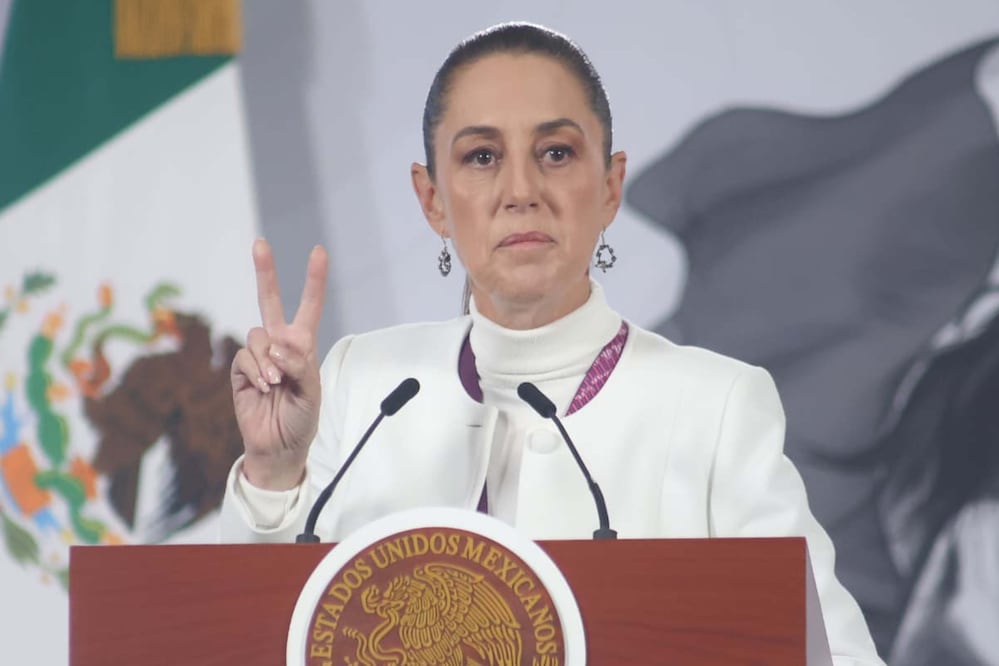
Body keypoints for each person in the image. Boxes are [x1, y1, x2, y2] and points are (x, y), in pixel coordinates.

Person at [220, 22, 884, 664]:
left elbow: (833, 654)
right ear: (432, 201)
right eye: (481, 157)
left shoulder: (714, 406)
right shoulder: (365, 383)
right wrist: (276, 473)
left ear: (609, 187)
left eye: (556, 153)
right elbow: (259, 638)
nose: (521, 192)